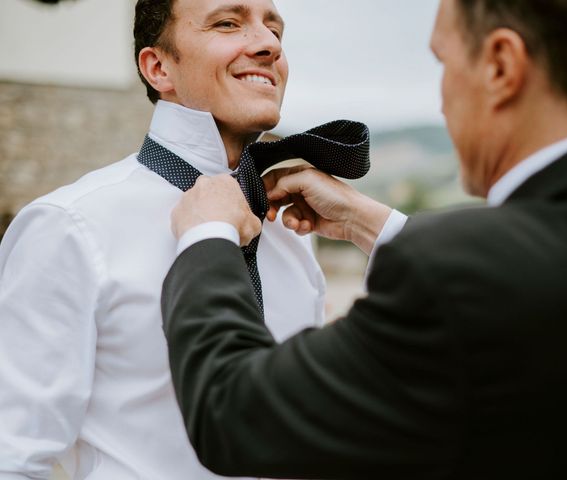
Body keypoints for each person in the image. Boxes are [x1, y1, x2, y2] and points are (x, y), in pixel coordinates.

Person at [161, 0, 567, 478]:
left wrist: (208, 236)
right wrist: (372, 224)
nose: (441, 101)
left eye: (445, 64)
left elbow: (236, 414)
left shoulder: (447, 274)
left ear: (500, 66)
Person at [0, 0, 326, 478]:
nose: (268, 44)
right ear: (158, 67)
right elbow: (14, 454)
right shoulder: (68, 226)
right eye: (228, 23)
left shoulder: (291, 228)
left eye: (274, 28)